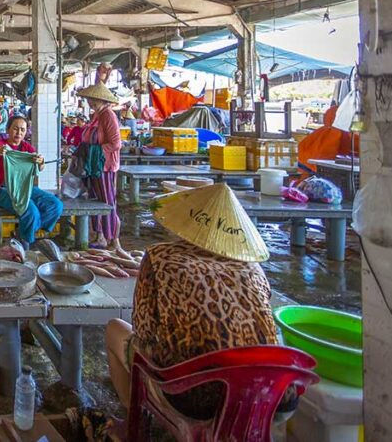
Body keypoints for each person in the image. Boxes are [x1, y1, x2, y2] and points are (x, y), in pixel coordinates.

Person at [105, 183, 287, 421]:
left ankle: (134, 419)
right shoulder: (253, 267)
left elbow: (145, 331)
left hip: (195, 397)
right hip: (270, 394)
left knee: (114, 330)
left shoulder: (161, 258)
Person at [0, 115, 64, 244]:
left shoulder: (27, 148)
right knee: (31, 211)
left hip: (26, 188)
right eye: (15, 129)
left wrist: (41, 162)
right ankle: (25, 243)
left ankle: (23, 233)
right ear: (8, 129)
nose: (19, 133)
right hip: (2, 189)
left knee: (56, 205)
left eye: (22, 130)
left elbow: (40, 168)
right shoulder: (0, 146)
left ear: (26, 132)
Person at [77, 83, 123, 250]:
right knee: (95, 200)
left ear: (102, 99)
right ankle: (100, 236)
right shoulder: (96, 115)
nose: (90, 102)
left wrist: (94, 152)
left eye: (93, 99)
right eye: (89, 99)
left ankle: (113, 239)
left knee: (107, 202)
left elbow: (116, 143)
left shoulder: (108, 115)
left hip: (104, 166)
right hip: (94, 167)